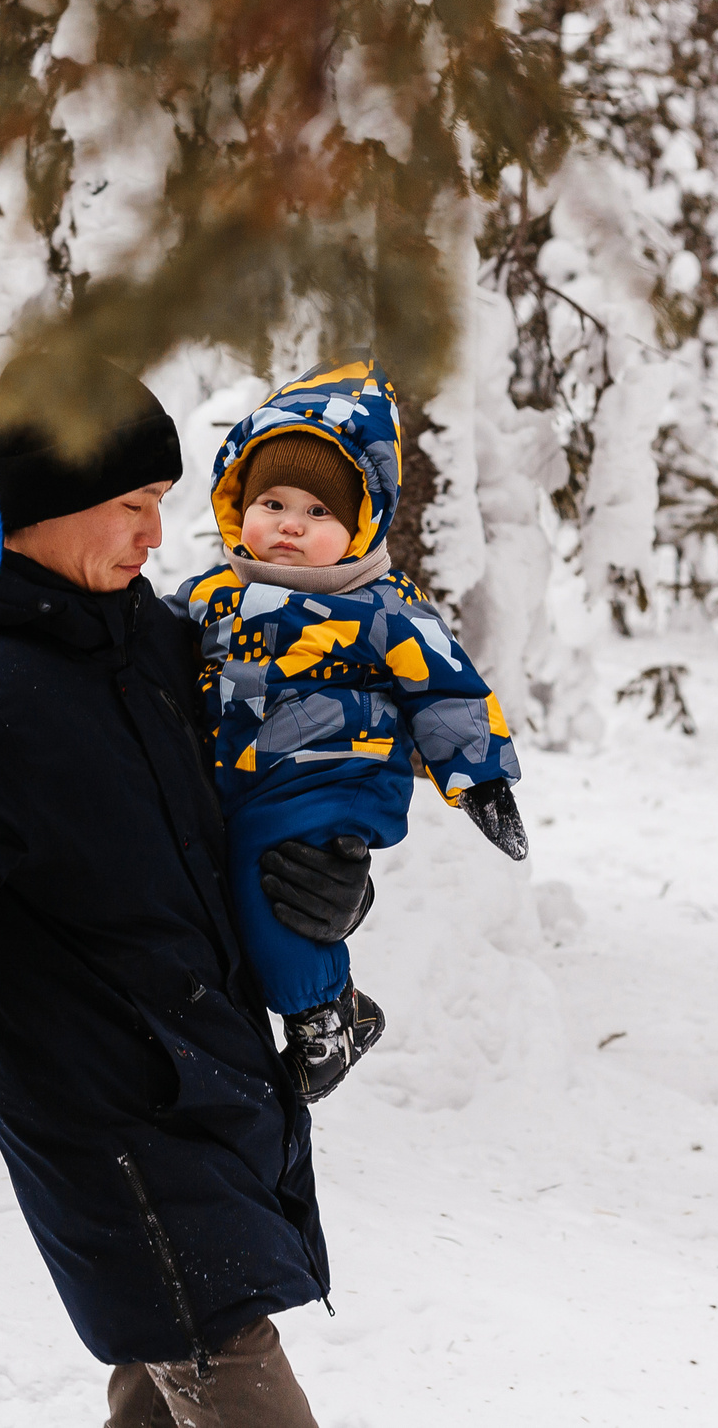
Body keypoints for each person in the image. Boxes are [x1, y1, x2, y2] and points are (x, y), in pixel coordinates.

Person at [0, 351, 372, 1428]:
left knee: (164, 1389)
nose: (157, 533)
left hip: (217, 1087)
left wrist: (333, 892)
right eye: (133, 503)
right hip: (114, 1136)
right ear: (47, 502)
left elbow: (252, 820)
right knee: (219, 1357)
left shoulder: (159, 645)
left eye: (161, 501)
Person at [180, 361, 527, 1101]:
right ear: (238, 504)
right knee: (227, 883)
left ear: (361, 523)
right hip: (247, 778)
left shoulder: (381, 606)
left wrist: (482, 779)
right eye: (272, 502)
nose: (290, 525)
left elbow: (447, 688)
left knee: (278, 889)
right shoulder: (211, 597)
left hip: (334, 775)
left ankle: (327, 1014)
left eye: (318, 512)